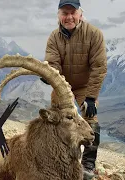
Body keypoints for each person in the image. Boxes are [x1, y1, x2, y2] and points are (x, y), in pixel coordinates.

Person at [41, 0, 107, 179]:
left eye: (73, 12)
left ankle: (88, 164)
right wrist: (50, 76)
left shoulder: (94, 34)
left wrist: (91, 98)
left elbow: (99, 67)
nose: (69, 17)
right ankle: (58, 160)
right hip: (63, 88)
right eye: (65, 13)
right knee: (56, 123)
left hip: (85, 88)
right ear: (59, 16)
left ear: (80, 14)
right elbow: (53, 63)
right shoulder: (54, 38)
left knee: (91, 122)